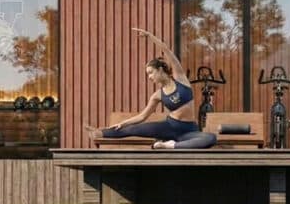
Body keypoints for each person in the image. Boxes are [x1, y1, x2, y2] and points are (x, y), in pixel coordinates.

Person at [84, 28, 216, 149]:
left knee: (210, 138)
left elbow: (167, 51)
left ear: (160, 69)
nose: (149, 77)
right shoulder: (158, 95)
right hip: (169, 127)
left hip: (189, 131)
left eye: (150, 72)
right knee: (134, 129)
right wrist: (123, 123)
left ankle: (170, 145)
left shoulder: (180, 79)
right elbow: (142, 116)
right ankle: (98, 132)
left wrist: (150, 36)